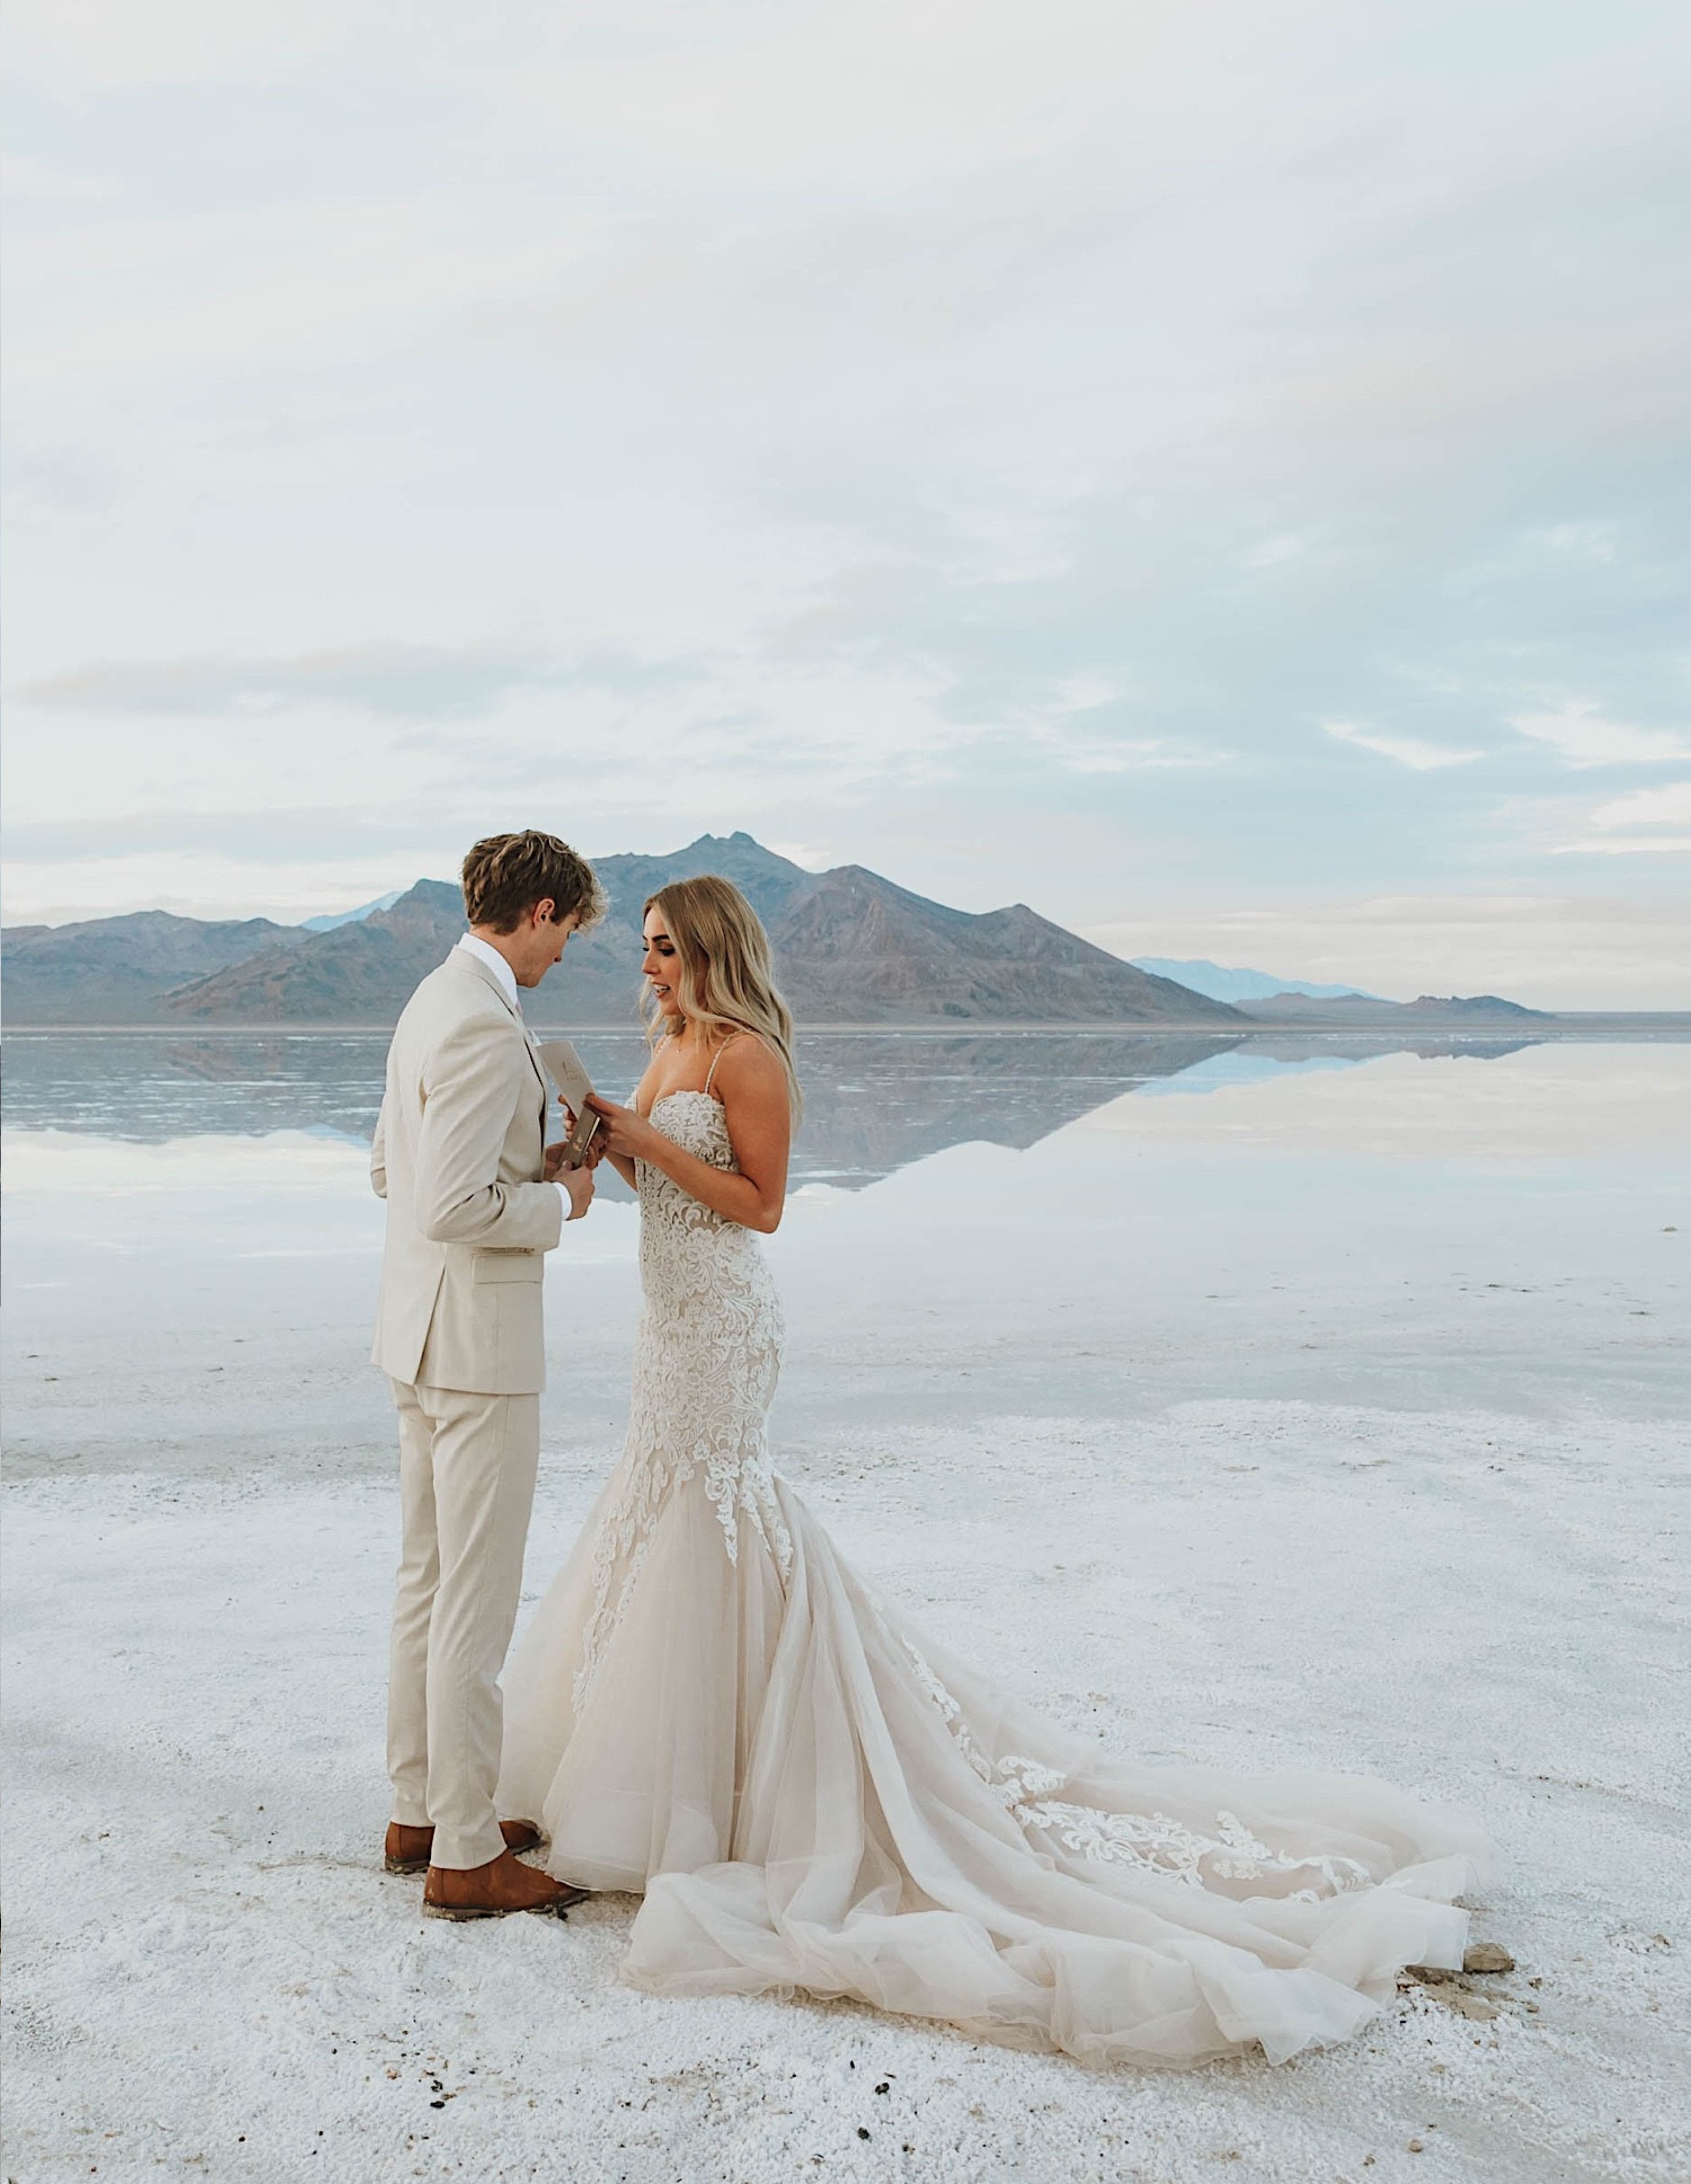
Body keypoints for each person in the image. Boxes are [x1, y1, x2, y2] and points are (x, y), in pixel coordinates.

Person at [496, 873, 1488, 2066]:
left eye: (662, 949)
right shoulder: (665, 1052)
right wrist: (599, 1148)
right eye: (643, 948)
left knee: (720, 1523)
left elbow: (761, 1211)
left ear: (710, 948)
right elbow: (659, 1187)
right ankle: (674, 1777)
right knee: (660, 1518)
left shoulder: (748, 1055)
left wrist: (649, 1134)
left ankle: (746, 1793)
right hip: (668, 1330)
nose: (646, 966)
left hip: (725, 1333)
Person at [369, 829, 602, 1921]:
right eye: (571, 933)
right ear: (544, 909)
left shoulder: (431, 1002)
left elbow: (391, 1168)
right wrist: (560, 1203)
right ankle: (465, 1853)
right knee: (475, 1593)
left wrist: (535, 1166)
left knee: (427, 1579)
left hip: (416, 1337)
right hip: (475, 1351)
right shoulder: (476, 1021)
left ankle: (422, 1808)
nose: (567, 956)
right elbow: (451, 1206)